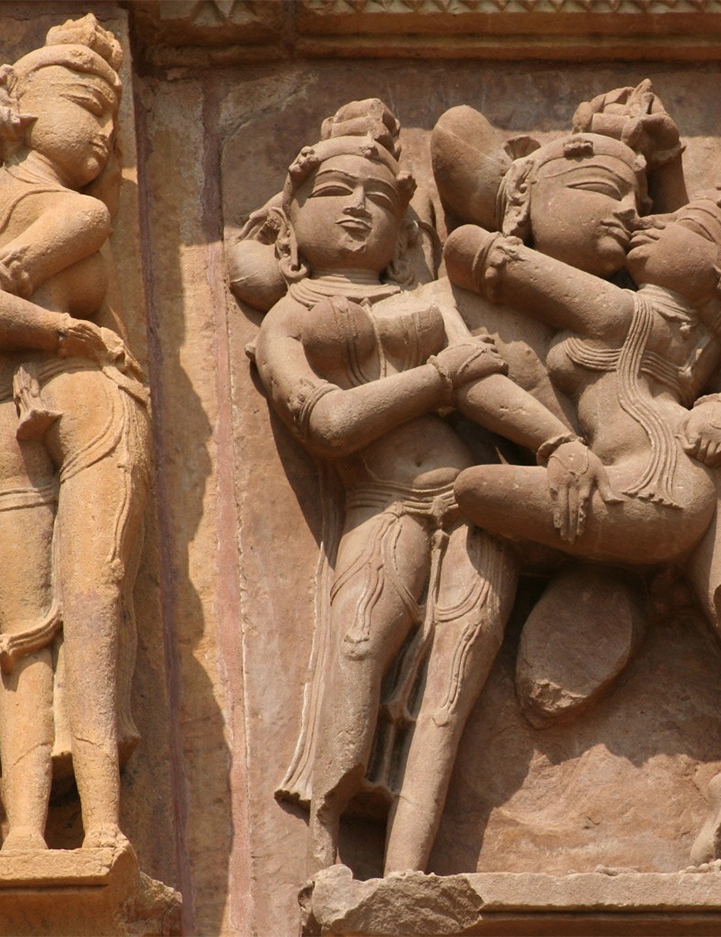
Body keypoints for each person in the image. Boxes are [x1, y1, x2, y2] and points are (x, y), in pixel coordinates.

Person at [442, 146, 721, 865]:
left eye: (678, 222)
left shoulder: (620, 306)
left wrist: (518, 202)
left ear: (720, 272)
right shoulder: (704, 343)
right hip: (709, 479)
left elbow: (468, 251)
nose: (644, 218)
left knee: (472, 491)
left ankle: (677, 578)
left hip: (638, 489)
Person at [230, 99, 606, 873]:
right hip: (385, 506)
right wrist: (435, 375)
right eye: (336, 192)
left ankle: (405, 872)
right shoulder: (289, 322)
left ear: (405, 226)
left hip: (475, 502)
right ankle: (326, 847)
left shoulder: (425, 300)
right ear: (290, 221)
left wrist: (557, 440)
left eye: (379, 197)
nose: (359, 208)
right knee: (359, 644)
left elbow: (481, 386)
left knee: (451, 689)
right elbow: (329, 423)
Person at [0, 14, 147, 852]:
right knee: (62, 620)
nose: (107, 128)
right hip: (67, 395)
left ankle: (47, 832)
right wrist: (67, 335)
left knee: (51, 624)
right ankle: (75, 830)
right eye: (87, 100)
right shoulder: (73, 213)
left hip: (11, 415)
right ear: (21, 106)